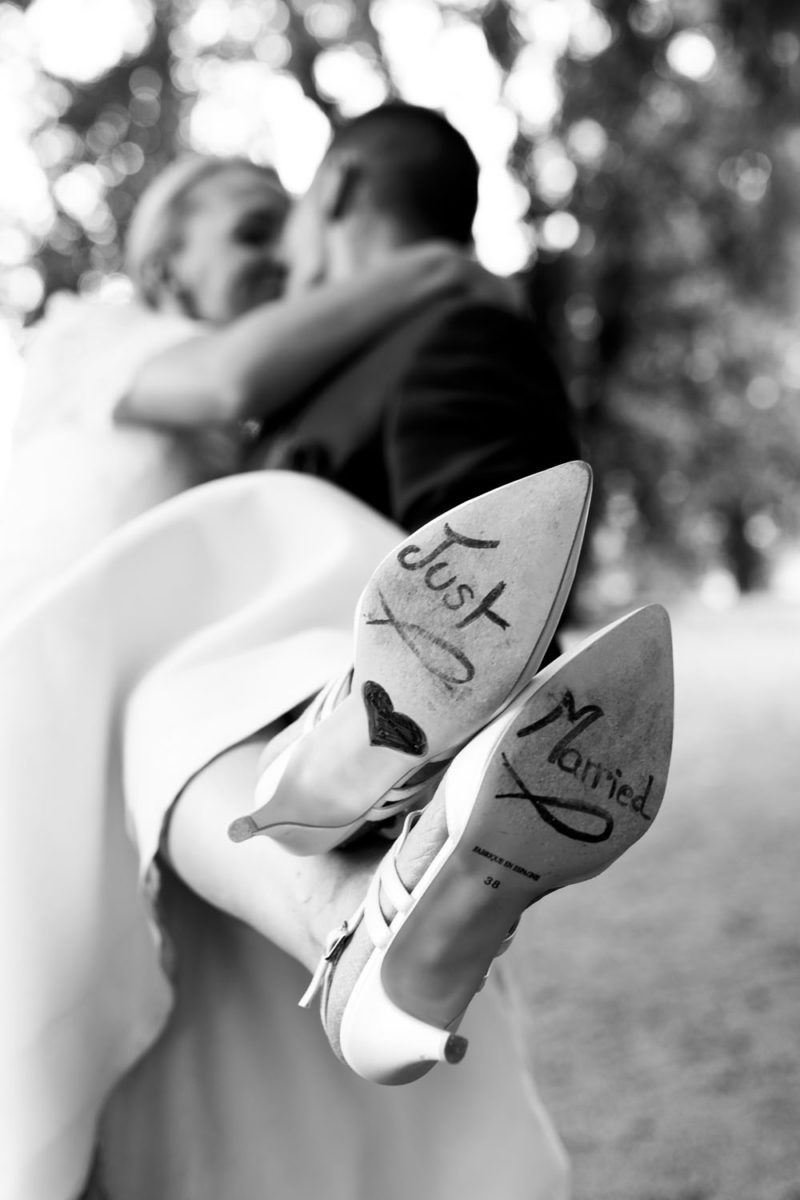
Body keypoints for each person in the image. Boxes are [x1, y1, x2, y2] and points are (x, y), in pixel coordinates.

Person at [0, 152, 494, 625]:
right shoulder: (89, 332)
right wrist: (440, 267)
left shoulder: (261, 427)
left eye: (292, 237)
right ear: (164, 271)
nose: (285, 258)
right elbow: (225, 380)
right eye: (253, 234)